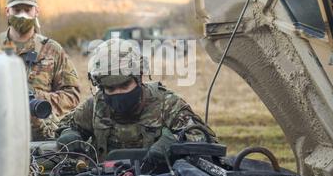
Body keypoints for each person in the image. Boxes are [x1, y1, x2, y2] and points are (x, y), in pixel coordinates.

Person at [56, 38, 216, 166]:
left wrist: (174, 143)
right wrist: (70, 134)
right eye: (110, 89)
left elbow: (205, 138)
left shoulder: (167, 104)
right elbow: (67, 125)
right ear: (101, 87)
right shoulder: (96, 106)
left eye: (124, 85)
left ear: (139, 78)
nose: (118, 93)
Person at [0, 0, 80, 140]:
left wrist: (35, 99)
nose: (22, 15)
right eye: (16, 9)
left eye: (27, 9)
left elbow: (72, 97)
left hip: (40, 138)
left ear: (36, 11)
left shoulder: (52, 49)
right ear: (7, 12)